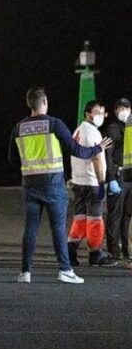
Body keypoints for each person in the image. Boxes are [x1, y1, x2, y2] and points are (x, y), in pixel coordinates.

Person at [9, 87, 112, 284]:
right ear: (45, 102)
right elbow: (77, 150)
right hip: (53, 184)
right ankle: (65, 269)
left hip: (30, 183)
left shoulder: (18, 127)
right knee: (57, 227)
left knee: (30, 228)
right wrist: (98, 148)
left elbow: (12, 159)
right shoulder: (54, 124)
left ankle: (25, 272)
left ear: (29, 103)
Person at [67, 100, 116, 267]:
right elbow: (96, 159)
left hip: (78, 180)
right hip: (92, 181)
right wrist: (102, 182)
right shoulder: (93, 133)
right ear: (88, 114)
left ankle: (70, 249)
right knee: (95, 219)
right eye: (97, 112)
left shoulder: (78, 130)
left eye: (103, 113)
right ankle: (96, 254)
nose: (100, 116)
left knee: (80, 217)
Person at [103, 98, 132, 263]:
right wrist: (111, 178)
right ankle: (114, 250)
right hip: (119, 175)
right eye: (119, 108)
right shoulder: (112, 129)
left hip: (130, 176)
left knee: (127, 214)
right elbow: (108, 155)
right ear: (115, 111)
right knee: (115, 213)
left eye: (126, 108)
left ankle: (126, 250)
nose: (123, 111)